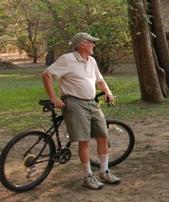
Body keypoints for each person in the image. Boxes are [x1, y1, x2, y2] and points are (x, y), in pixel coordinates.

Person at [42, 32, 121, 190]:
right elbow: (47, 74)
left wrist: (107, 91)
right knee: (84, 140)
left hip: (92, 103)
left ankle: (104, 172)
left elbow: (99, 80)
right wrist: (53, 98)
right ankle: (88, 176)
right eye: (91, 42)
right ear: (82, 44)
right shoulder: (67, 59)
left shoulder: (91, 61)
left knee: (102, 137)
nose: (94, 45)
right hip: (74, 103)